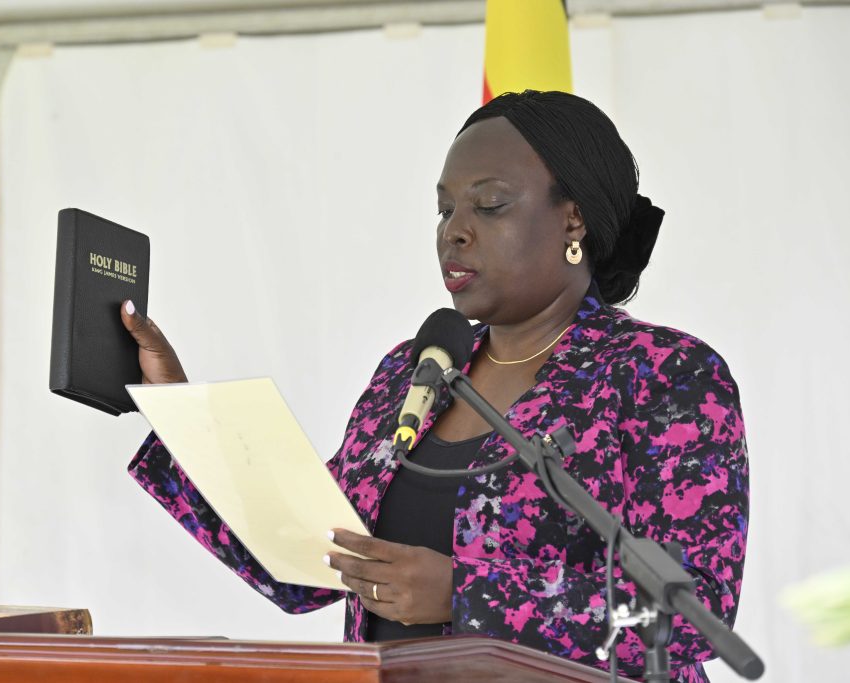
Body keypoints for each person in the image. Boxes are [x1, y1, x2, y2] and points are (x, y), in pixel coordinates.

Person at [119, 90, 749, 683]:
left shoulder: (663, 375)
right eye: (445, 209)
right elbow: (309, 564)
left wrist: (465, 594)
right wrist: (181, 410)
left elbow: (696, 606)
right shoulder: (417, 368)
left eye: (490, 204)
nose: (455, 230)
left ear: (573, 218)